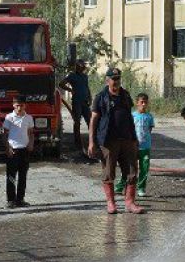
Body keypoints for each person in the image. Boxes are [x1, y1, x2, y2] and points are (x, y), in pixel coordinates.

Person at [88, 68, 144, 214]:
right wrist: (91, 142)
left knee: (132, 171)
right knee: (108, 172)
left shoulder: (125, 95)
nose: (116, 81)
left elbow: (130, 117)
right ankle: (111, 203)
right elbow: (93, 120)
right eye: (114, 79)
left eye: (118, 78)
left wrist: (135, 139)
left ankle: (130, 202)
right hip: (108, 141)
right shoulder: (100, 97)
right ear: (107, 80)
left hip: (127, 140)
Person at [116, 93, 155, 197]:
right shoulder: (132, 116)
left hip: (145, 147)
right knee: (129, 168)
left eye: (145, 102)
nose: (143, 104)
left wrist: (144, 141)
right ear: (137, 103)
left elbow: (149, 130)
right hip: (132, 147)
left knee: (144, 168)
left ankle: (141, 188)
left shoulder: (149, 117)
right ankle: (121, 186)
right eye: (141, 102)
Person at [4, 95, 34, 208]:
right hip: (13, 150)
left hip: (24, 150)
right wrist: (7, 148)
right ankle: (11, 200)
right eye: (17, 105)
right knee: (11, 176)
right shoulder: (9, 117)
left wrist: (31, 143)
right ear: (13, 105)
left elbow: (31, 133)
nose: (19, 108)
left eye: (21, 105)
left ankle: (20, 199)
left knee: (23, 176)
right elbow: (4, 134)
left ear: (25, 105)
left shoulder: (29, 118)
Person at [59, 60, 92, 148]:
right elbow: (61, 84)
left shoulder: (85, 76)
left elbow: (87, 87)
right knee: (77, 121)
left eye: (83, 66)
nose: (83, 68)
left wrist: (90, 97)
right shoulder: (72, 76)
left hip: (85, 102)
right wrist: (70, 90)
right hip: (77, 102)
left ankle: (92, 140)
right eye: (81, 66)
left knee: (90, 121)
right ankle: (77, 142)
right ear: (77, 67)